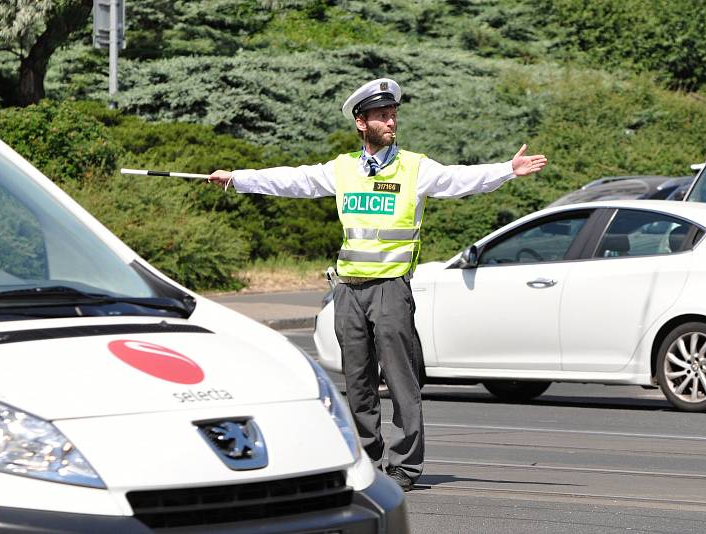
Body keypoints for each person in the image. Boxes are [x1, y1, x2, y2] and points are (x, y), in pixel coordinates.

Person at [208, 78, 547, 491]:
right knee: (358, 382)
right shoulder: (343, 168)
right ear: (360, 122)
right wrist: (238, 179)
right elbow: (293, 181)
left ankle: (404, 467)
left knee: (402, 380)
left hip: (390, 289)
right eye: (382, 116)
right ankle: (365, 459)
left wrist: (506, 171)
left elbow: (461, 180)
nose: (391, 122)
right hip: (348, 290)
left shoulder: (415, 167)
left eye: (393, 115)